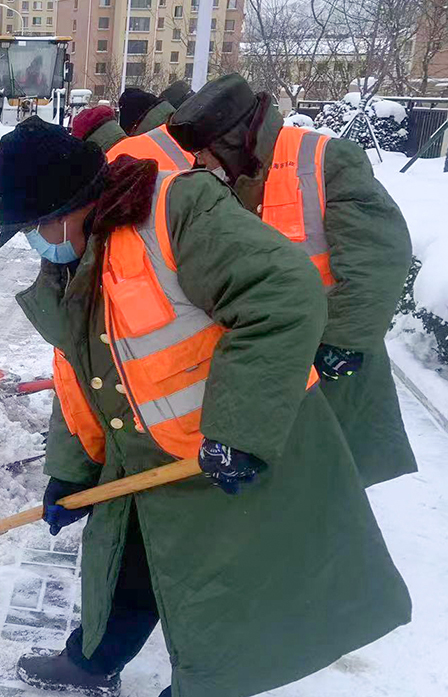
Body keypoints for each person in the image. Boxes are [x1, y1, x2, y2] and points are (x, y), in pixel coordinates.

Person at [0, 116, 411, 697]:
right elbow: (79, 375)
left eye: (37, 227)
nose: (38, 242)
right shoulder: (71, 266)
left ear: (71, 206)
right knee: (122, 564)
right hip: (143, 455)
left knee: (217, 607)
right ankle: (93, 662)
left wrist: (239, 433)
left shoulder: (177, 211)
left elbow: (285, 293)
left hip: (223, 454)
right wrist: (71, 473)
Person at [167, 74, 417, 487]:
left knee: (331, 475)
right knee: (286, 479)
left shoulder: (324, 159)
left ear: (234, 139)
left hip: (332, 355)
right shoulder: (219, 181)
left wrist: (345, 340)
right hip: (272, 363)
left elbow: (379, 253)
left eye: (207, 151)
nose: (203, 162)